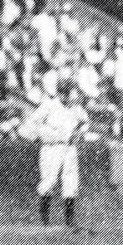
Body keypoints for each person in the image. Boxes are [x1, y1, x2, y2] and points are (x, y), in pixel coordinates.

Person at [23, 81, 90, 227]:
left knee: (71, 180)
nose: (67, 97)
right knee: (49, 179)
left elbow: (85, 121)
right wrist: (46, 134)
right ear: (59, 93)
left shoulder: (75, 107)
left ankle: (69, 219)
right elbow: (33, 123)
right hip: (51, 147)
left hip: (69, 147)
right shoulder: (49, 105)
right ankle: (44, 218)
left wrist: (79, 132)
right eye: (64, 93)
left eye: (69, 93)